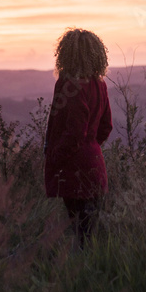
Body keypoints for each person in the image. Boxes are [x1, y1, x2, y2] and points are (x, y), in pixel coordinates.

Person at [44, 27, 112, 249]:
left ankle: (78, 276)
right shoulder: (100, 85)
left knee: (78, 233)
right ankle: (88, 275)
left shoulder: (69, 85)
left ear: (66, 53)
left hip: (73, 170)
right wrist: (90, 148)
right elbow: (106, 127)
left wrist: (55, 155)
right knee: (87, 233)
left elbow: (74, 131)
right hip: (95, 167)